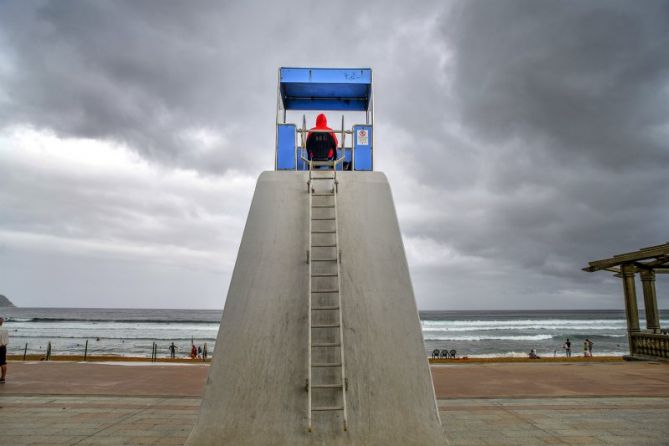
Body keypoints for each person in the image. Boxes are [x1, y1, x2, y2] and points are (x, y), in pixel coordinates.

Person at [0, 317, 8, 383]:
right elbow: (7, 340)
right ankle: (3, 378)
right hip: (3, 347)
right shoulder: (5, 329)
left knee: (3, 363)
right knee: (3, 363)